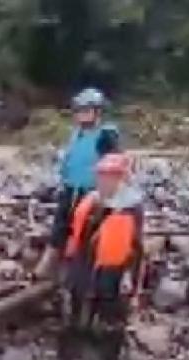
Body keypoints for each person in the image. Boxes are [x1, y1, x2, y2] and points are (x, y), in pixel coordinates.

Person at [48, 152, 144, 360]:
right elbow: (78, 235)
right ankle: (67, 359)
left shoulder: (131, 207)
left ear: (120, 178)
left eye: (109, 177)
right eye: (101, 176)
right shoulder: (91, 201)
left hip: (114, 266)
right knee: (74, 306)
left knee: (110, 313)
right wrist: (69, 263)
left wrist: (130, 276)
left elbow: (136, 246)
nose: (103, 181)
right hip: (85, 261)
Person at [43, 87, 121, 270]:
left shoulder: (106, 136)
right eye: (79, 111)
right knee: (59, 228)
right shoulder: (76, 135)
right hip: (71, 189)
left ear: (97, 112)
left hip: (92, 193)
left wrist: (104, 194)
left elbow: (115, 165)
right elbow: (68, 162)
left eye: (87, 111)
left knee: (85, 231)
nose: (82, 115)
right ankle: (48, 266)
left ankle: (80, 269)